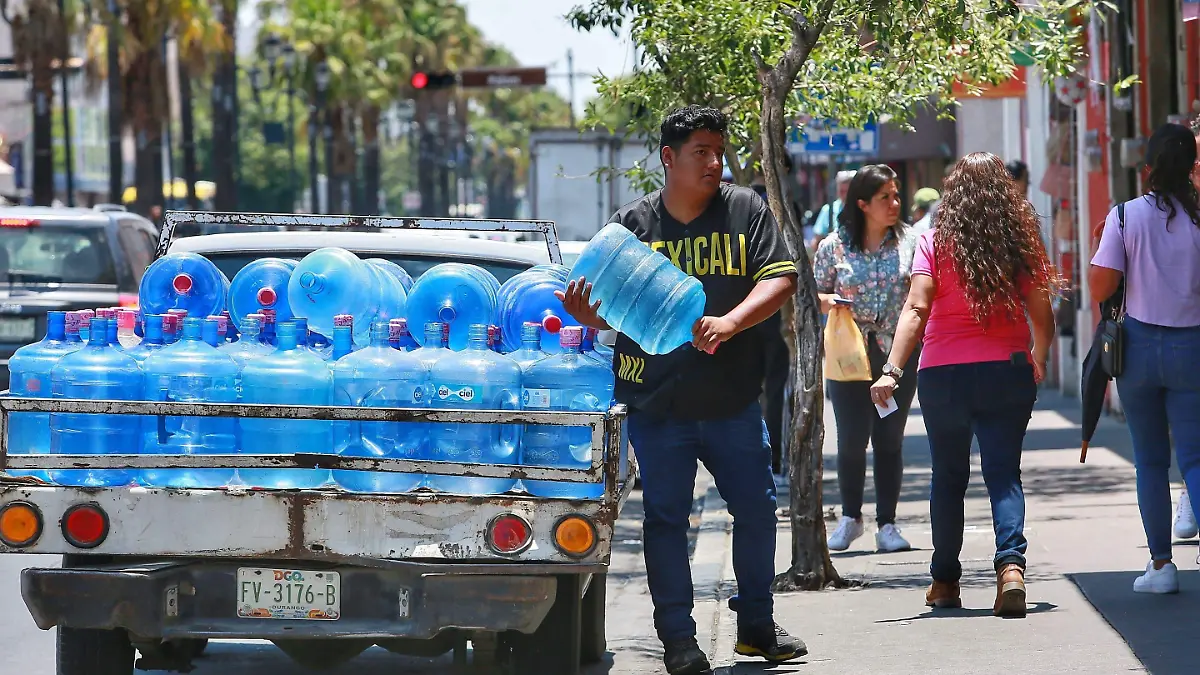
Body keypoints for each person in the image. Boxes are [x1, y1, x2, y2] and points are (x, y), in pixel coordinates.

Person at [557, 105, 803, 675]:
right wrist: (587, 318)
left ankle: (757, 627)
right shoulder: (633, 229)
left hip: (732, 400)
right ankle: (679, 642)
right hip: (657, 404)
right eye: (701, 152)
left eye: (719, 151)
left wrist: (731, 321)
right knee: (666, 520)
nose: (715, 162)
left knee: (759, 511)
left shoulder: (746, 210)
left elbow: (781, 278)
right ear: (668, 158)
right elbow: (610, 315)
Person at [871, 151, 1056, 618]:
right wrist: (1040, 356)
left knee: (948, 478)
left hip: (943, 375)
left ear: (952, 192)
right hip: (1006, 369)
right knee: (1003, 474)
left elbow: (916, 308)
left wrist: (892, 369)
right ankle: (1011, 568)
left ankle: (945, 581)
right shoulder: (1021, 241)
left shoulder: (933, 240)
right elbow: (1042, 311)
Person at [1089, 122, 1200, 594]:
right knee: (1195, 456)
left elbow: (1100, 284)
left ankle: (1161, 566)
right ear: (1193, 168)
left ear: (1148, 169)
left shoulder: (1125, 216)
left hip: (1136, 349)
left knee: (1150, 461)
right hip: (1192, 345)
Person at [814, 164, 919, 553]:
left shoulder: (910, 243)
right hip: (849, 354)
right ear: (862, 204)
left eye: (895, 196)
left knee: (889, 438)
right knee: (852, 439)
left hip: (896, 355)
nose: (894, 204)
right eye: (884, 198)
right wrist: (833, 302)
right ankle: (851, 517)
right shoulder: (834, 247)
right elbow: (813, 293)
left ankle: (888, 524)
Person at [812, 169, 856, 244]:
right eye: (841, 191)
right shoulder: (828, 210)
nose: (844, 195)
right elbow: (817, 239)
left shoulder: (862, 208)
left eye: (847, 191)